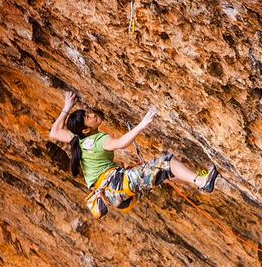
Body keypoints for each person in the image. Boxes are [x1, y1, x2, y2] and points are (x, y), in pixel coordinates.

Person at [49, 90, 219, 219]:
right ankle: (201, 181)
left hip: (113, 195)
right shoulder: (99, 140)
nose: (92, 114)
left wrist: (67, 107)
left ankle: (197, 178)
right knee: (167, 162)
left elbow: (54, 132)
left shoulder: (77, 139)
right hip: (117, 184)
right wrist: (142, 124)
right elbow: (120, 143)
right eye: (88, 117)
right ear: (86, 129)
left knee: (162, 174)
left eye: (88, 113)